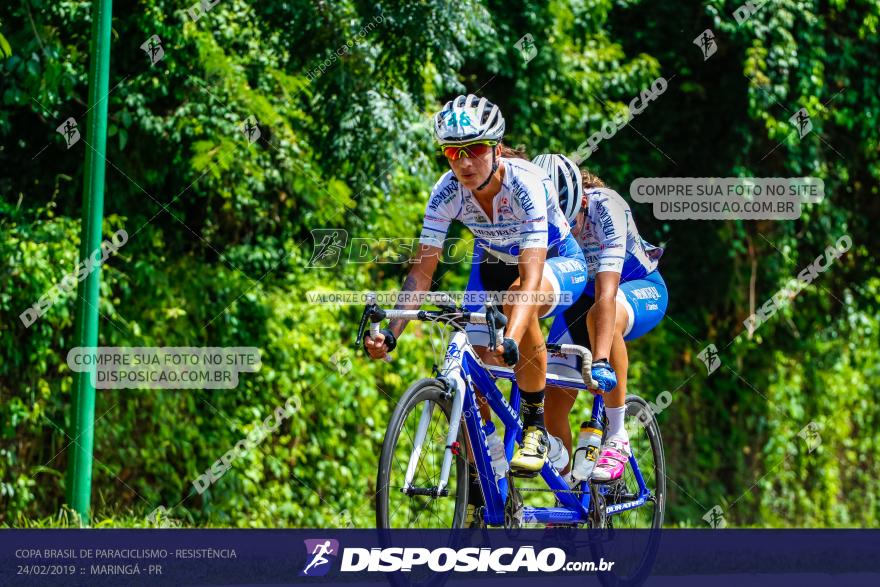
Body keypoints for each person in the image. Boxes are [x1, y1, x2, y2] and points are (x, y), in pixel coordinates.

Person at [363, 94, 588, 486]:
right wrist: (391, 333)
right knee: (471, 362)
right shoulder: (446, 191)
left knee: (521, 299)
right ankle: (489, 466)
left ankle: (534, 425)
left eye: (475, 149)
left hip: (555, 263)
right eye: (453, 151)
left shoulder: (525, 183)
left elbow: (532, 277)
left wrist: (513, 337)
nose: (464, 162)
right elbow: (422, 271)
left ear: (497, 149)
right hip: (494, 269)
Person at [534, 154, 667, 483]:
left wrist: (601, 360)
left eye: (571, 223)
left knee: (599, 318)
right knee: (553, 401)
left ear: (581, 203)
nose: (566, 233)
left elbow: (606, 295)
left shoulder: (607, 207)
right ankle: (566, 493)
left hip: (635, 287)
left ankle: (618, 434)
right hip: (582, 299)